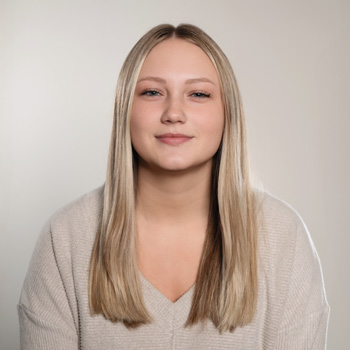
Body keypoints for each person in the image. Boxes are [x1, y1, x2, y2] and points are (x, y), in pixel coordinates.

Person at [18, 24, 329, 349]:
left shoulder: (283, 238)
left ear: (228, 112)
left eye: (198, 94)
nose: (174, 113)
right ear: (126, 108)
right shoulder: (65, 238)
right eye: (152, 92)